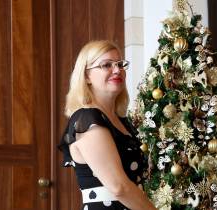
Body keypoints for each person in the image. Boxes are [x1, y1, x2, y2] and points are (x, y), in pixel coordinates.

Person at [58, 40, 156, 210]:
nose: (117, 70)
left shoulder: (122, 121)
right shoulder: (88, 119)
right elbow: (119, 188)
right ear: (86, 76)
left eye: (120, 64)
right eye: (106, 65)